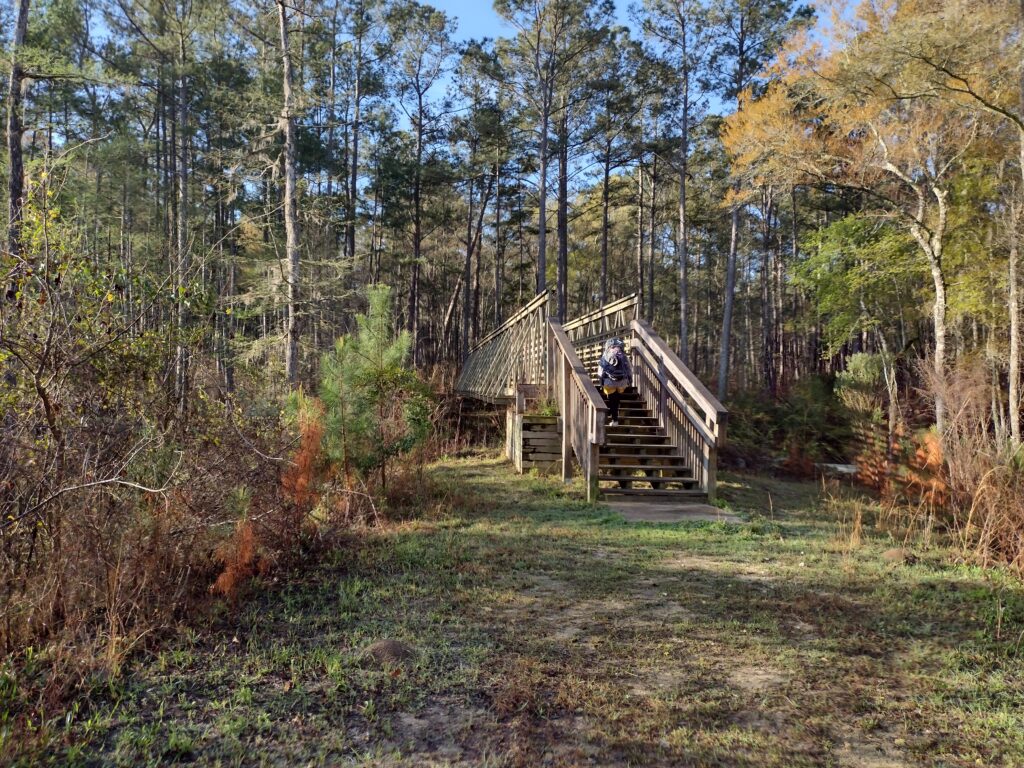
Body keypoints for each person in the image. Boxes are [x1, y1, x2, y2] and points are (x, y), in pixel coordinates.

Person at [598, 337, 632, 426]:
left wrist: (601, 382)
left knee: (612, 399)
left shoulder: (605, 355)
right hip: (622, 382)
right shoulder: (623, 356)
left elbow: (600, 371)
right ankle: (614, 415)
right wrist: (629, 381)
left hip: (609, 382)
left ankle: (614, 418)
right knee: (616, 399)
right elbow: (629, 369)